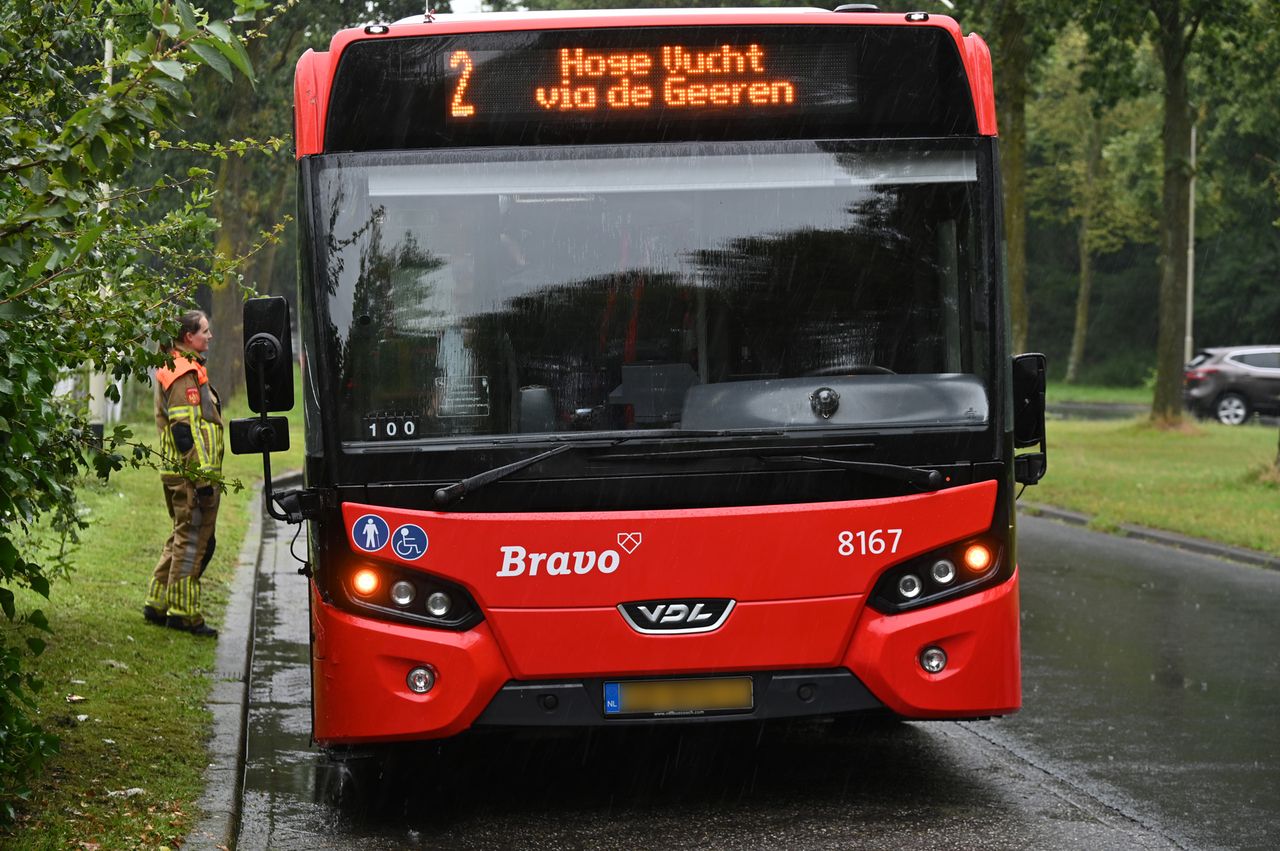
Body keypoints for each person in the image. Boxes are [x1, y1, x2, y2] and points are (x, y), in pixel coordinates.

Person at [143, 310, 225, 637]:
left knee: (182, 535)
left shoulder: (181, 368)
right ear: (188, 337)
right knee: (193, 542)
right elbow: (183, 433)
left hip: (181, 472)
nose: (210, 335)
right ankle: (184, 614)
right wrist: (202, 480)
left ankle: (157, 602)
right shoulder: (181, 373)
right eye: (205, 330)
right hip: (191, 475)